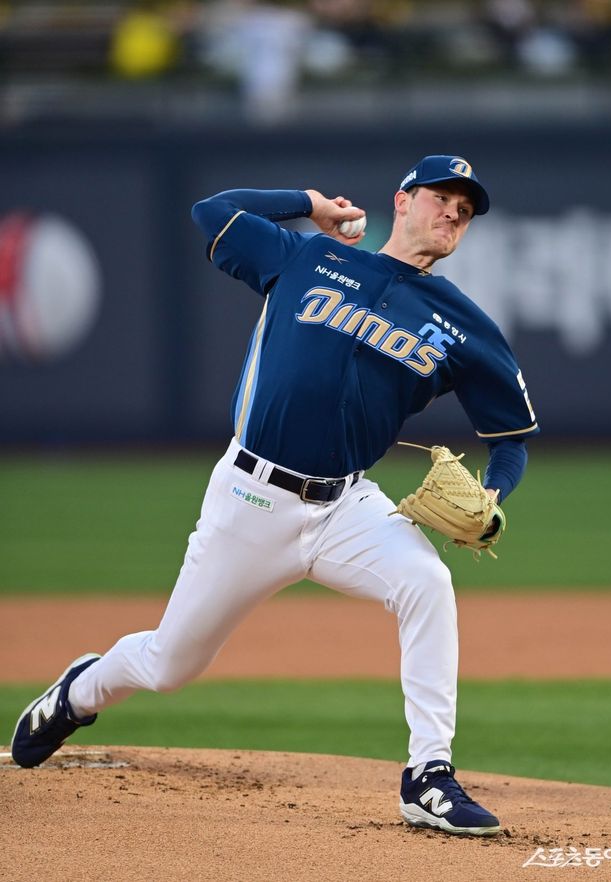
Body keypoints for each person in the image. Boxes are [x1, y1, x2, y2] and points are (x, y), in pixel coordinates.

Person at [11, 154, 538, 837]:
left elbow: (512, 438)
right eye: (442, 198)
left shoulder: (463, 324)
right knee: (171, 664)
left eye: (464, 212)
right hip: (251, 497)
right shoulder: (306, 257)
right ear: (403, 201)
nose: (453, 215)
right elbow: (212, 213)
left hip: (347, 507)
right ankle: (79, 693)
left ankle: (428, 776)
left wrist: (493, 494)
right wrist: (309, 203)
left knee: (427, 583)